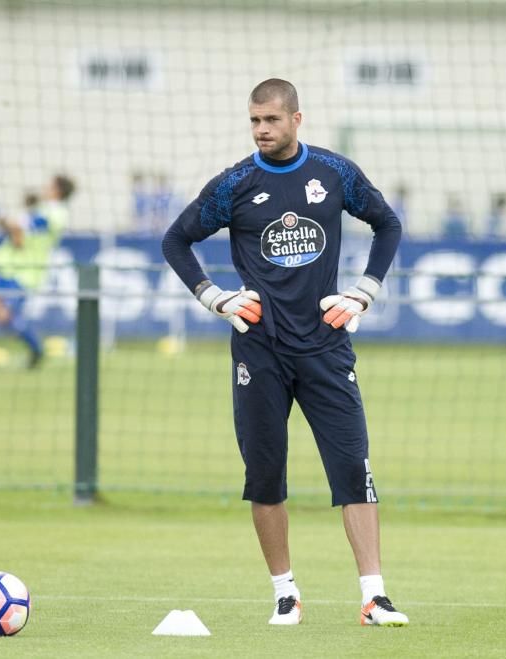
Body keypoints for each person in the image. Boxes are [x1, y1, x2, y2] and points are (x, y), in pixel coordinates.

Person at [162, 78, 409, 627]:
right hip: (260, 351)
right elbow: (175, 240)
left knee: (353, 468)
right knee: (266, 474)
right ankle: (285, 593)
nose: (261, 130)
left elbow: (388, 224)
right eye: (253, 121)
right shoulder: (235, 184)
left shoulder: (334, 172)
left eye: (270, 120)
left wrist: (364, 290)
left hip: (326, 346)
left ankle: (374, 595)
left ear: (297, 119)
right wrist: (215, 297)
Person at [0, 173, 75, 370]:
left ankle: (33, 347)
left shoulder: (57, 213)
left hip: (24, 272)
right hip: (9, 268)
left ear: (57, 190)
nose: (45, 187)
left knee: (1, 313)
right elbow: (18, 230)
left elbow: (21, 232)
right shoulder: (43, 208)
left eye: (49, 184)